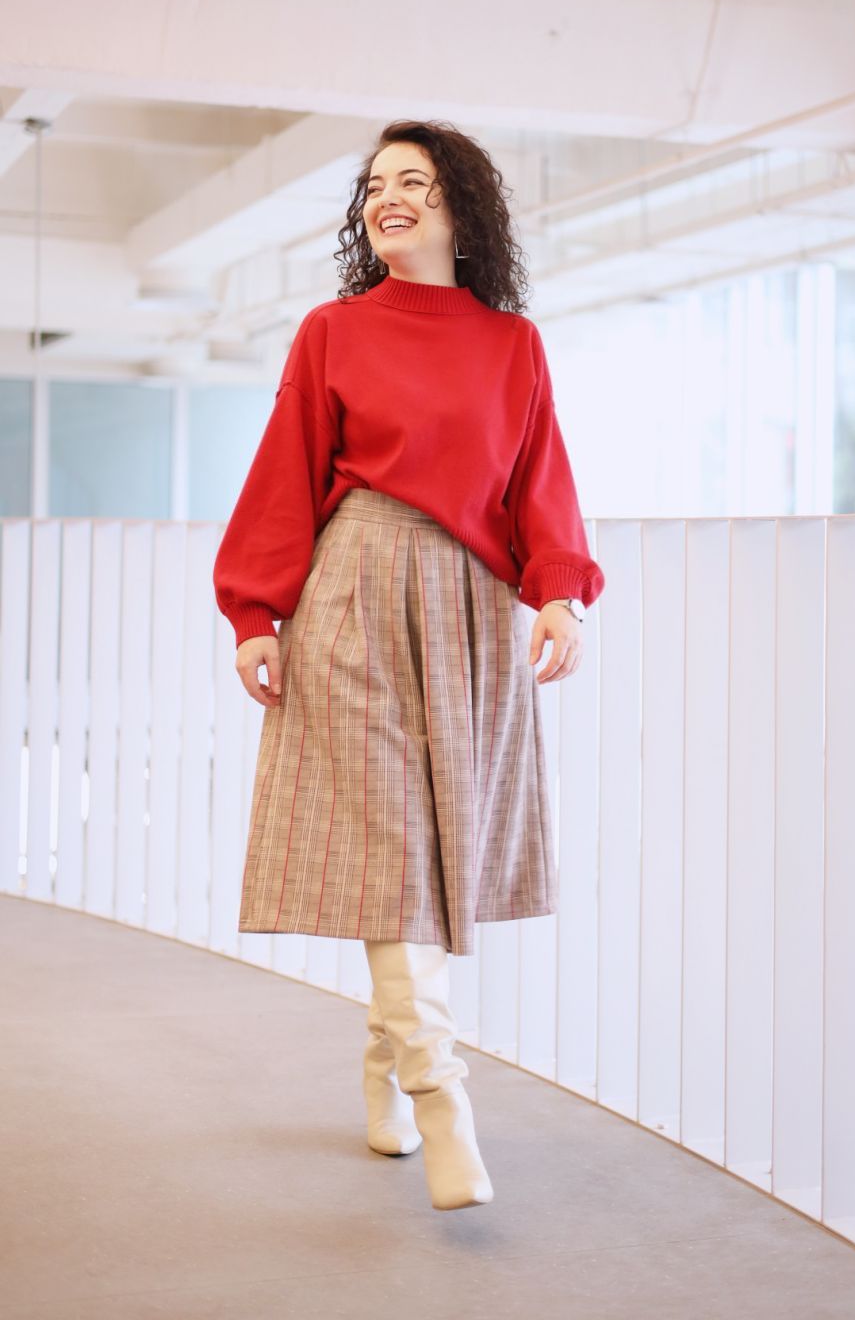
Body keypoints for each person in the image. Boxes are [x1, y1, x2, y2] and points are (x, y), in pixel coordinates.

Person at [212, 118, 606, 1212]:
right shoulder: (332, 332)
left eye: (414, 181)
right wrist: (255, 611)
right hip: (353, 592)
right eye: (376, 184)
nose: (388, 197)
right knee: (390, 849)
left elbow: (539, 478)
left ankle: (383, 1067)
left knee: (430, 857)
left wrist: (559, 590)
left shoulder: (513, 345)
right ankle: (442, 1099)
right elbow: (286, 470)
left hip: (471, 610)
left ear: (458, 206)